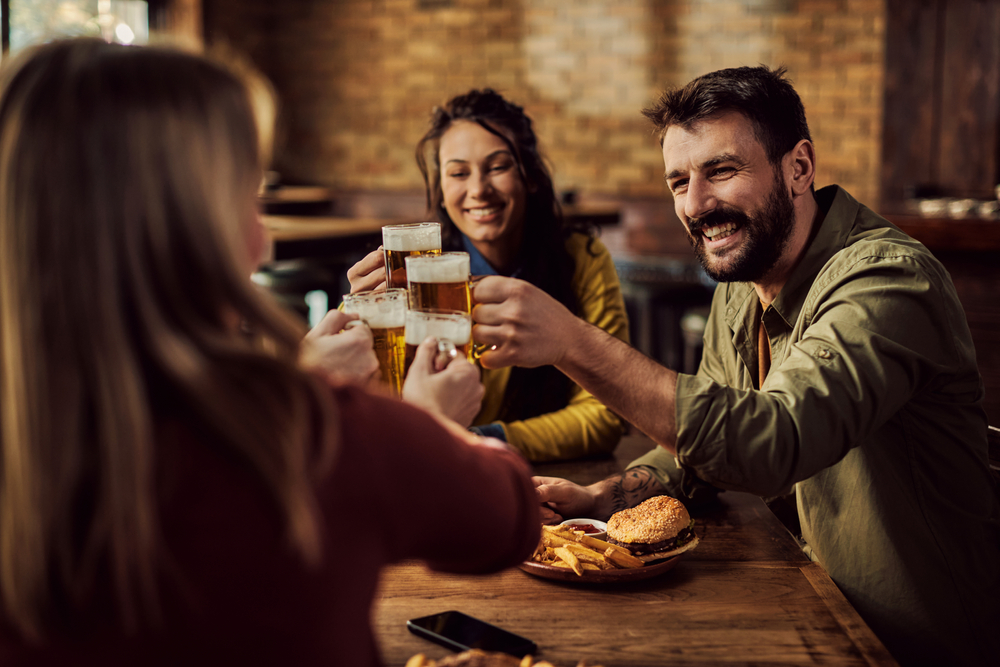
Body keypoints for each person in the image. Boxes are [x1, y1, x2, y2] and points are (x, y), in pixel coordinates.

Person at [0, 39, 539, 666]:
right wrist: (424, 423)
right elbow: (508, 517)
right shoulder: (328, 435)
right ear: (202, 230)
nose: (260, 236)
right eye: (246, 199)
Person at [472, 66, 1000, 667]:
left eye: (721, 171)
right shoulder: (745, 284)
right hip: (812, 614)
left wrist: (572, 342)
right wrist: (602, 499)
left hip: (911, 646)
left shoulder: (888, 280)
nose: (696, 205)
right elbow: (710, 444)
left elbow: (771, 442)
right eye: (678, 181)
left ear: (799, 167)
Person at [347, 89, 629, 461]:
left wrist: (477, 440)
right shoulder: (408, 274)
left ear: (529, 176)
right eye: (459, 173)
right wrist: (362, 333)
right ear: (442, 190)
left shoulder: (581, 259)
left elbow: (603, 416)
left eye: (497, 167)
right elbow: (370, 421)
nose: (478, 190)